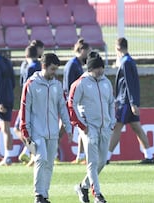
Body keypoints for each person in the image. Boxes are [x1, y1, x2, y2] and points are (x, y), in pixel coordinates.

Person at [19, 53, 73, 203]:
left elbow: (63, 107)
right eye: (52, 69)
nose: (54, 73)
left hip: (53, 132)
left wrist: (68, 128)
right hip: (36, 130)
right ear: (44, 66)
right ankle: (38, 195)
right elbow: (25, 108)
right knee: (41, 159)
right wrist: (25, 130)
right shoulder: (31, 84)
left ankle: (45, 195)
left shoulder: (57, 85)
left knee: (49, 163)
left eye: (56, 69)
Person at [68, 51, 115, 203]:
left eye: (102, 68)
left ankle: (83, 186)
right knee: (93, 163)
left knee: (102, 161)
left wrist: (111, 121)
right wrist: (82, 125)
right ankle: (98, 195)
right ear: (90, 68)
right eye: (97, 68)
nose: (100, 71)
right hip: (89, 129)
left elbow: (110, 103)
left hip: (105, 128)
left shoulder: (106, 82)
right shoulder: (80, 83)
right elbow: (71, 104)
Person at [107, 37, 154, 164]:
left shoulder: (126, 62)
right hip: (128, 101)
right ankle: (149, 155)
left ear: (117, 48)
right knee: (137, 128)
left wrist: (133, 103)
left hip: (125, 102)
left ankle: (106, 157)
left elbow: (130, 84)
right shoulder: (128, 61)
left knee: (117, 126)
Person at [62, 38, 90, 164]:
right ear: (81, 50)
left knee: (81, 128)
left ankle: (81, 155)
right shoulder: (72, 65)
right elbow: (68, 86)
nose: (88, 56)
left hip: (76, 103)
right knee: (62, 129)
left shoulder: (77, 64)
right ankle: (51, 154)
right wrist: (70, 103)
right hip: (70, 103)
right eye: (87, 52)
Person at [17, 45, 42, 165]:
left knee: (19, 128)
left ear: (26, 56)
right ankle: (29, 152)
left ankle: (32, 153)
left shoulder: (29, 67)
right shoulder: (39, 66)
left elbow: (26, 87)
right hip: (38, 102)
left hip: (29, 102)